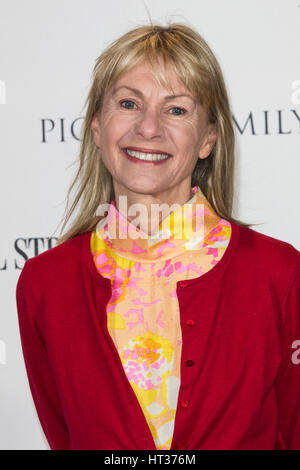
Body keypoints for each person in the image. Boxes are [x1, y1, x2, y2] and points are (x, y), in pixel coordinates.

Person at [16, 23, 300, 450]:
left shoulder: (278, 272)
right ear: (96, 125)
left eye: (176, 109)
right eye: (129, 103)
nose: (148, 128)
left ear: (208, 137)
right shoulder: (44, 284)